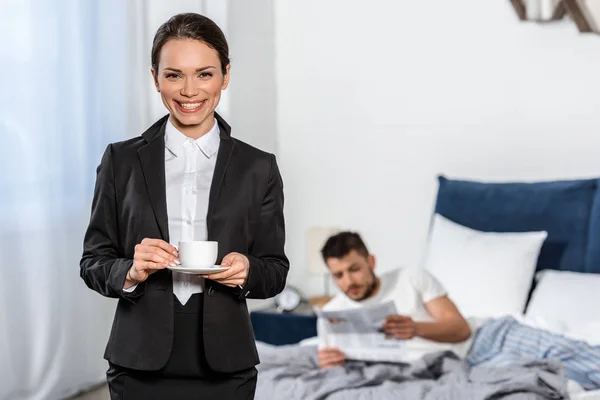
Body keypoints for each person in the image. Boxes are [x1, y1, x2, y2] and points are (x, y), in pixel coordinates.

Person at [79, 13, 288, 399]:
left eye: (204, 74)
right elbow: (93, 262)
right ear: (155, 78)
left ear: (225, 76)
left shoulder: (258, 168)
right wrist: (130, 269)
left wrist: (246, 271)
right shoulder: (120, 161)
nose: (189, 90)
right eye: (174, 75)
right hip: (137, 361)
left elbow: (275, 271)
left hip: (227, 363)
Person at [317, 231, 471, 369]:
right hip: (383, 374)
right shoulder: (331, 313)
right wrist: (328, 363)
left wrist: (416, 329)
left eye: (355, 269)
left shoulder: (411, 277)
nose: (349, 281)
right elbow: (329, 361)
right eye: (338, 275)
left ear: (371, 262)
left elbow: (461, 329)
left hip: (439, 362)